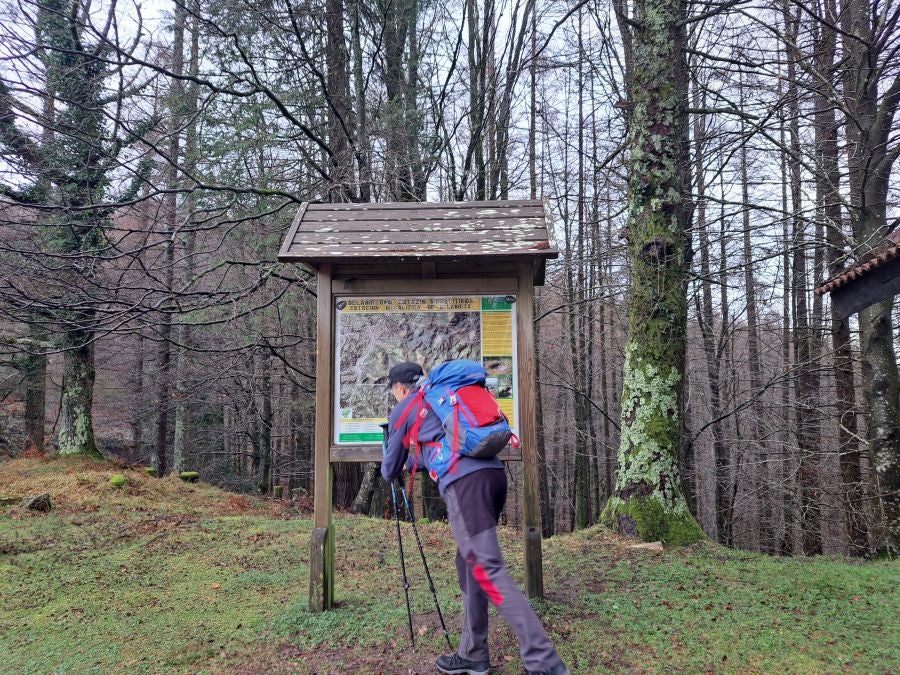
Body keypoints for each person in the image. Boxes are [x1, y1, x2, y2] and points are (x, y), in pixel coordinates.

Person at [382, 362, 570, 675]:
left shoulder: (406, 408)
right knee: (469, 563)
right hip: (492, 475)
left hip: (465, 486)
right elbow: (438, 448)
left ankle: (544, 662)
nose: (394, 397)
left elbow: (389, 469)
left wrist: (390, 450)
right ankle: (472, 653)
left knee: (487, 569)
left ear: (400, 388)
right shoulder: (444, 397)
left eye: (393, 392)